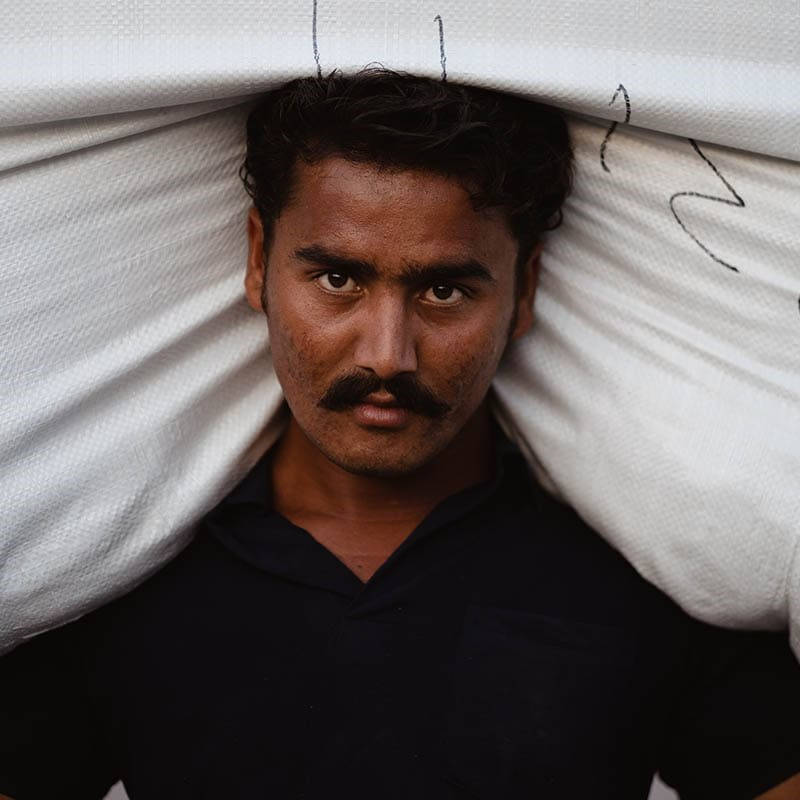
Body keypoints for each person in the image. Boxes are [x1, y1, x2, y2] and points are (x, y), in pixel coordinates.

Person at [1, 68, 799, 800]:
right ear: (257, 261)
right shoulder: (118, 581)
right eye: (338, 278)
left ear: (523, 293)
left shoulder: (636, 578)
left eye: (444, 290)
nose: (387, 354)